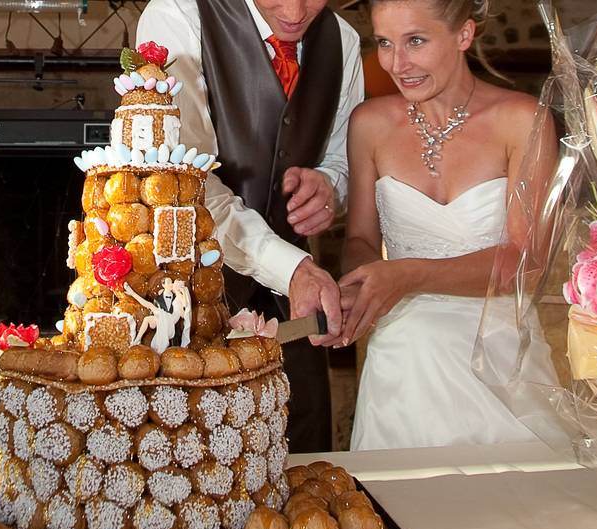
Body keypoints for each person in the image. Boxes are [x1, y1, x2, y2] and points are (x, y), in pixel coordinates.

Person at [138, 0, 364, 452]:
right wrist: (291, 268)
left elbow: (343, 159)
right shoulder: (177, 17)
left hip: (293, 320)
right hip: (184, 308)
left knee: (303, 466)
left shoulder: (344, 41)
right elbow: (187, 181)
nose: (297, 11)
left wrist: (330, 188)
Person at [340, 0, 559, 450]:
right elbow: (360, 239)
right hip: (402, 363)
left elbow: (526, 264)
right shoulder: (369, 124)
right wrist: (362, 282)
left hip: (501, 364)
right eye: (384, 43)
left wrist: (408, 275)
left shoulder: (522, 120)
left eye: (415, 41)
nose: (398, 64)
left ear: (464, 35)